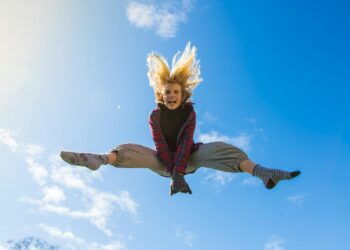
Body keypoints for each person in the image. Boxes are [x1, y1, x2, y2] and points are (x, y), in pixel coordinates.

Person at [60, 42, 300, 195]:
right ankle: (99, 158)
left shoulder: (189, 113)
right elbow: (161, 145)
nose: (171, 96)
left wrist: (180, 173)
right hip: (163, 162)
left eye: (175, 92)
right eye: (167, 93)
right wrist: (172, 172)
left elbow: (186, 143)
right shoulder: (155, 116)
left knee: (219, 148)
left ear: (183, 95)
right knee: (132, 149)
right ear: (160, 96)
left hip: (189, 160)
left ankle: (263, 172)